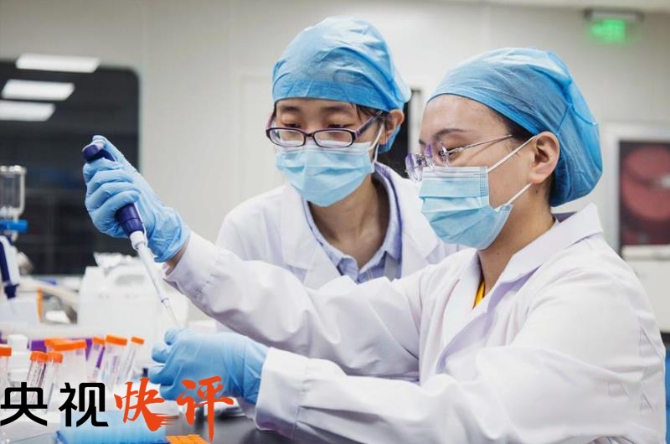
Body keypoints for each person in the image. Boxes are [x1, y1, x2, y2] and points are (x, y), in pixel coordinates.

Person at [85, 47, 665, 442]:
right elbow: (322, 318)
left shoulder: (593, 292)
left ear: (539, 156)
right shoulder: (458, 280)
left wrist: (263, 375)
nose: (431, 174)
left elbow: (469, 424)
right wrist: (177, 246)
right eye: (426, 155)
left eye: (452, 150)